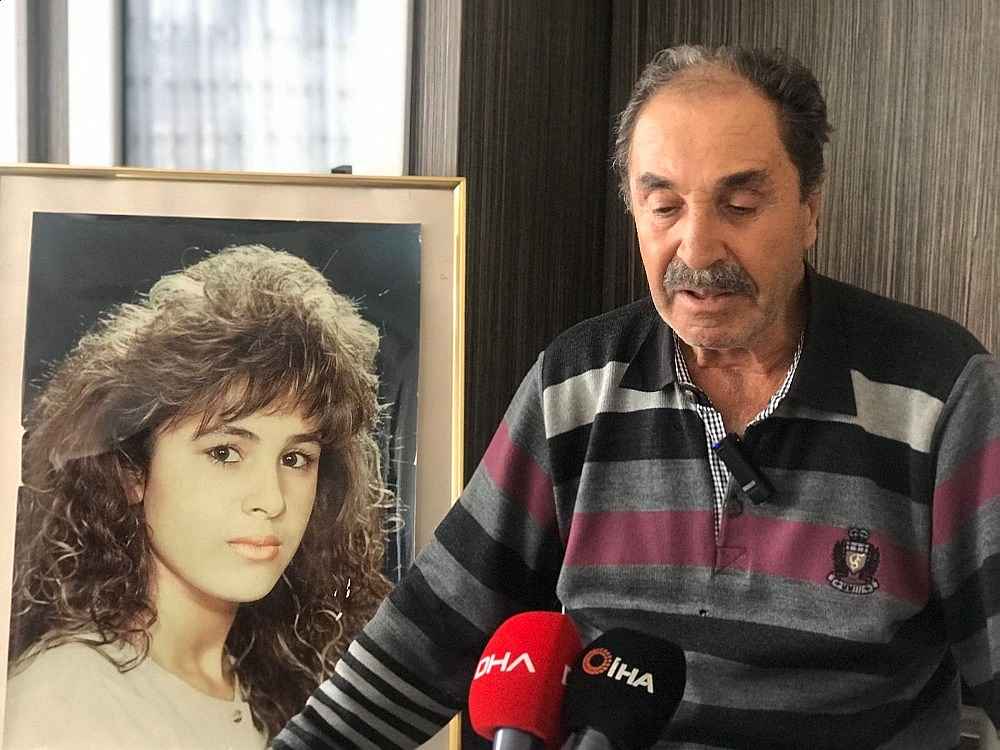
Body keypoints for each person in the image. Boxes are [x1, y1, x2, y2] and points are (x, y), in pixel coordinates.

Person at [274, 45, 1000, 749]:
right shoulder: (579, 386)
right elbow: (428, 637)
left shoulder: (937, 394)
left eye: (739, 205)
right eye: (664, 207)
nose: (698, 249)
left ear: (810, 207)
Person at [4, 245, 392, 749]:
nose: (271, 500)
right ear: (132, 471)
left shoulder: (275, 682)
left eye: (296, 458)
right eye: (225, 452)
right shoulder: (67, 701)